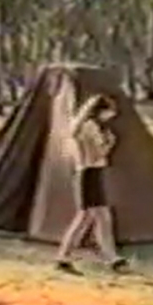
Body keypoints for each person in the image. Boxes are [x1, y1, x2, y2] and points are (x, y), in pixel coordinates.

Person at [55, 95, 129, 275]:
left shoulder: (82, 126)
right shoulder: (91, 127)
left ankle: (110, 257)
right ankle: (65, 256)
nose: (110, 116)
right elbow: (96, 155)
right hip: (90, 173)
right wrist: (110, 144)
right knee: (89, 217)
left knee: (96, 217)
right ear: (100, 111)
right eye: (108, 112)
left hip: (87, 173)